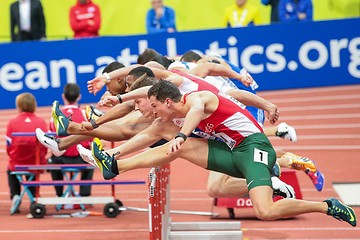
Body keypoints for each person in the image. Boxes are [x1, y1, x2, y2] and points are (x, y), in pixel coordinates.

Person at [91, 80, 356, 227]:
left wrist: (183, 135)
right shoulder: (168, 119)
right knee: (171, 143)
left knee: (265, 210)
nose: (153, 111)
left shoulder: (198, 98)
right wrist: (111, 153)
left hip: (254, 147)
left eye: (156, 106)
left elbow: (195, 111)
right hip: (231, 150)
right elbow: (148, 134)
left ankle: (327, 206)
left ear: (169, 102)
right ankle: (115, 166)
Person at [46, 83, 94, 198]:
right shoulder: (85, 115)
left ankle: (59, 194)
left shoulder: (55, 115)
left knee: (53, 160)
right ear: (79, 97)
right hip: (81, 158)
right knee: (91, 158)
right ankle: (84, 194)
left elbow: (50, 139)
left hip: (61, 159)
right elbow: (92, 138)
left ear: (63, 97)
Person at [6, 93, 48, 214]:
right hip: (35, 164)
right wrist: (41, 158)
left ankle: (15, 195)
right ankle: (34, 196)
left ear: (18, 106)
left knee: (10, 169)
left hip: (17, 163)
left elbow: (9, 147)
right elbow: (45, 145)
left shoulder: (12, 123)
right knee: (34, 168)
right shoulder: (40, 122)